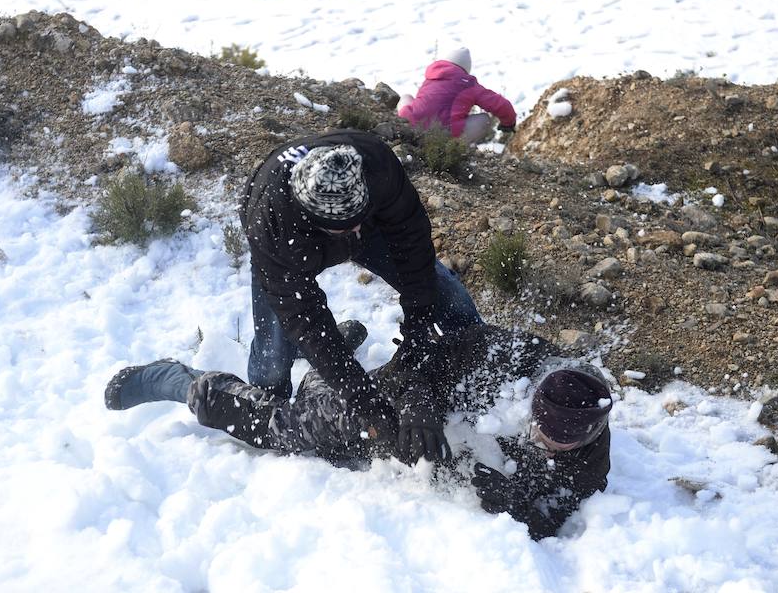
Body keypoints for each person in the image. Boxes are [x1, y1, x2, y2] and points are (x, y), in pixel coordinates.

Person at [105, 323, 613, 540]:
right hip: (394, 403)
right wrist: (417, 407)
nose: (545, 444)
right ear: (534, 396)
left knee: (323, 408)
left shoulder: (590, 447)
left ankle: (330, 361)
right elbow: (421, 360)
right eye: (540, 430)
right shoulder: (507, 355)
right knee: (290, 426)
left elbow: (552, 513)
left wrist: (506, 498)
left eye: (560, 443)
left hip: (433, 445)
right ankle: (182, 383)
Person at [240, 129, 481, 447]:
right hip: (289, 246)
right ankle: (265, 406)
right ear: (314, 218)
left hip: (374, 227)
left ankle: (472, 368)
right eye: (342, 226)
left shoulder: (377, 166)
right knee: (273, 359)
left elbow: (412, 243)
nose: (351, 228)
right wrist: (363, 399)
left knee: (450, 298)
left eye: (356, 218)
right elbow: (304, 314)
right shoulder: (271, 221)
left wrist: (420, 325)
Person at [397, 47, 517, 143]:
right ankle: (452, 147)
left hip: (412, 126)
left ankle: (399, 122)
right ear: (466, 68)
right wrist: (508, 123)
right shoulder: (468, 84)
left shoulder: (431, 77)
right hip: (444, 137)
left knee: (406, 97)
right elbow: (500, 104)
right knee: (484, 119)